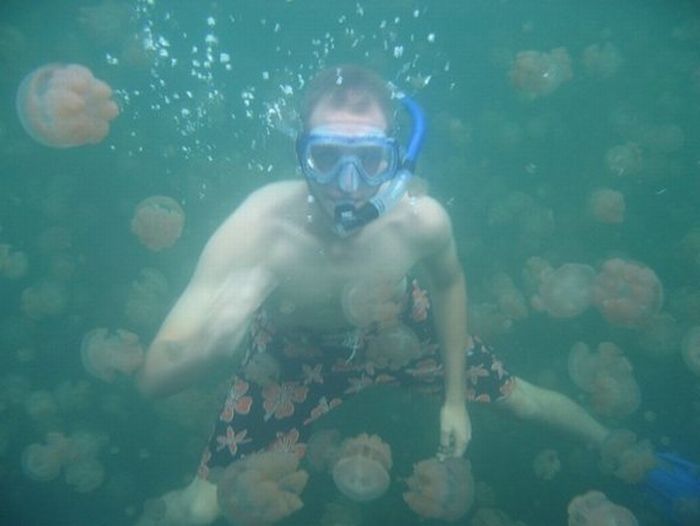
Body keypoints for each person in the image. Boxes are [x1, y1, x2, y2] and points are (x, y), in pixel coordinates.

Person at [136, 65, 612, 525]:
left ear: (397, 158)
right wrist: (214, 345)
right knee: (199, 509)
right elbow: (153, 380)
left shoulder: (420, 220)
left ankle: (620, 448)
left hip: (400, 321)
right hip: (287, 350)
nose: (348, 185)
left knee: (522, 401)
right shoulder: (257, 230)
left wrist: (454, 399)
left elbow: (448, 283)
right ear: (301, 154)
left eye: (369, 160)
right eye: (326, 157)